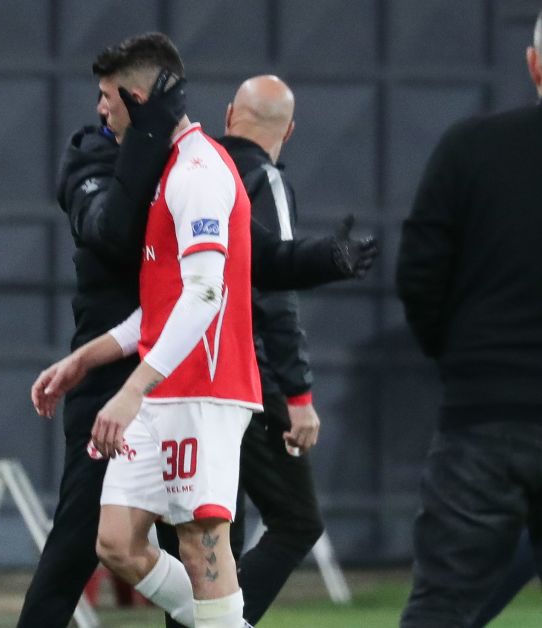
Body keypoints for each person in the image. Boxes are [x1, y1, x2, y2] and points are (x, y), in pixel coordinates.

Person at [18, 38, 377, 628]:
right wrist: (89, 359)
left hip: (198, 386)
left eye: (108, 96)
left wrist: (323, 259)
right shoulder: (107, 158)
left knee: (203, 545)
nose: (98, 109)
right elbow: (136, 265)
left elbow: (216, 287)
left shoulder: (197, 170)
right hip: (141, 378)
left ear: (138, 99)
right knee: (106, 541)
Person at [158, 74, 361, 628]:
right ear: (289, 131)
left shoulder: (196, 169)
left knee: (209, 532)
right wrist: (298, 393)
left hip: (177, 377)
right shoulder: (263, 180)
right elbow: (273, 290)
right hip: (245, 380)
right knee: (295, 519)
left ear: (229, 115)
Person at [396, 9, 542, 626]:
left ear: (534, 65)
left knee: (443, 607)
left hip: (483, 418)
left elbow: (419, 273)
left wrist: (462, 360)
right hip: (485, 402)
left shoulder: (470, 146)